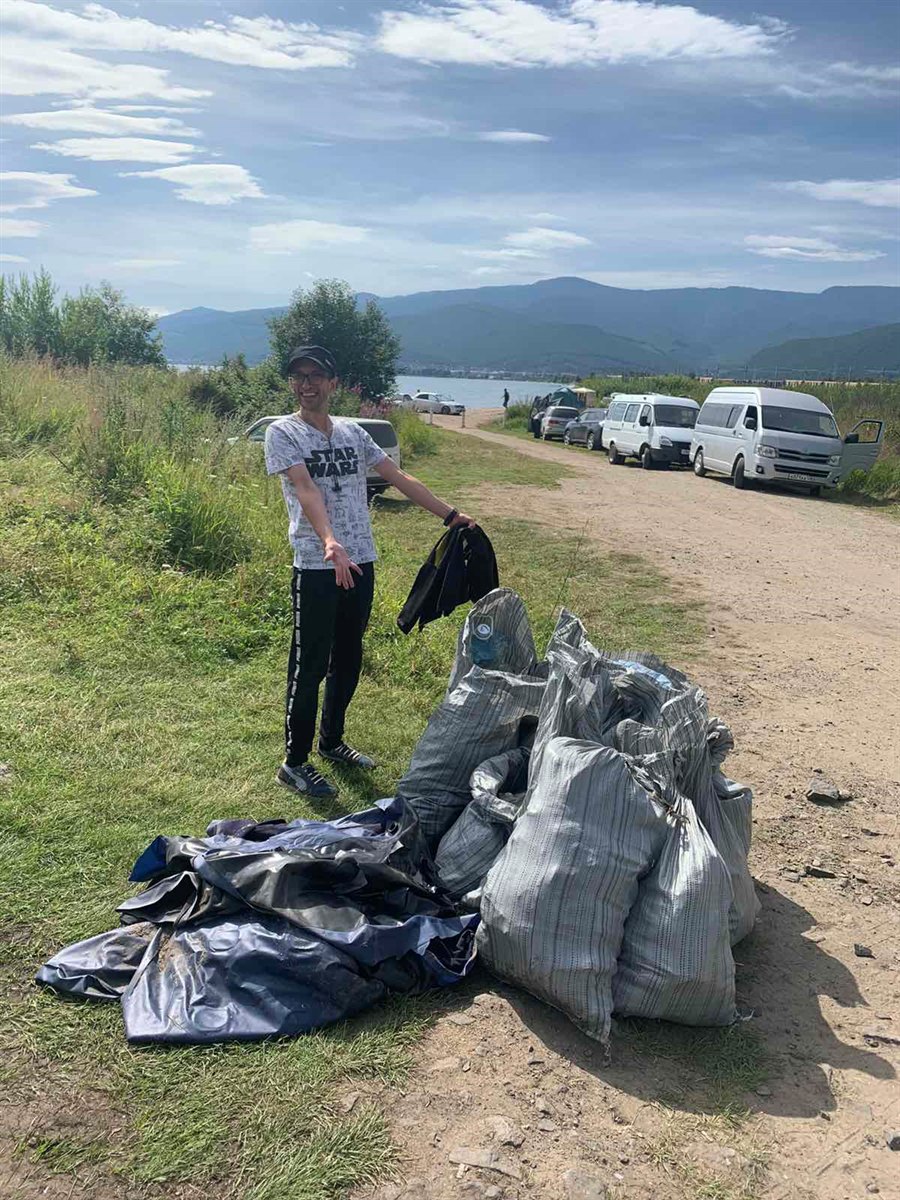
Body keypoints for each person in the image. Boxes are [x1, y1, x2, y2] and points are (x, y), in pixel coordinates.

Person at [264, 345, 476, 799]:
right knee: (309, 664)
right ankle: (294, 762)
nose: (306, 384)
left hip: (360, 560)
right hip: (318, 564)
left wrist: (450, 515)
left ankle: (332, 741)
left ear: (332, 383)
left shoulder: (353, 433)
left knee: (348, 657)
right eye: (299, 376)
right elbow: (305, 489)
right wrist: (329, 541)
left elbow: (398, 478)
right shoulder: (283, 432)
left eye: (315, 376)